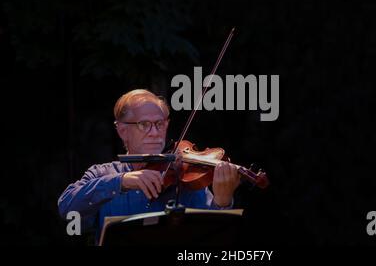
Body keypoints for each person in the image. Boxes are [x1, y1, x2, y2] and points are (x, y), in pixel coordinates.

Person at [58, 89, 240, 237]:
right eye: (144, 125)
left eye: (159, 124)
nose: (154, 132)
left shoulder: (185, 177)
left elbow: (212, 236)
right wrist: (121, 181)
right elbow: (68, 211)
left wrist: (222, 201)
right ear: (122, 131)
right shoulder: (102, 174)